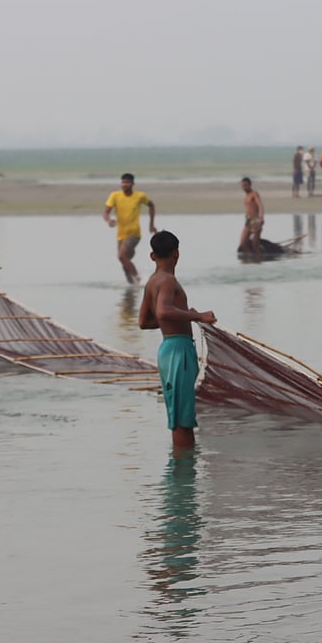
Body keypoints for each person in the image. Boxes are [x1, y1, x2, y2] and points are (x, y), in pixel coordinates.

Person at [138, 231, 217, 450]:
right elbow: (163, 312)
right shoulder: (168, 281)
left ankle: (181, 476)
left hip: (167, 349)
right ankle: (184, 470)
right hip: (178, 350)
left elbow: (144, 322)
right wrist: (197, 316)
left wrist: (179, 317)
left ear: (152, 256)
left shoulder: (152, 282)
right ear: (177, 254)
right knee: (183, 420)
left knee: (179, 415)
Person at [103, 173, 158, 284]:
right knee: (124, 263)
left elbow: (151, 205)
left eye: (127, 182)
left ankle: (139, 279)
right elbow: (106, 212)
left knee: (121, 256)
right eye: (123, 182)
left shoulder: (139, 196)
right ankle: (132, 288)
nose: (125, 185)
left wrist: (151, 224)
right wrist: (109, 220)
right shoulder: (115, 196)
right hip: (121, 235)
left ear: (132, 184)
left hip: (134, 233)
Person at [239, 177, 265, 255]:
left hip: (256, 220)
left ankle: (258, 260)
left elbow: (260, 205)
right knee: (243, 244)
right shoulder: (247, 196)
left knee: (255, 245)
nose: (244, 187)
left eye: (246, 185)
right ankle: (250, 260)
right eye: (243, 186)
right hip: (248, 220)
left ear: (250, 185)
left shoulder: (254, 194)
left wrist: (261, 217)